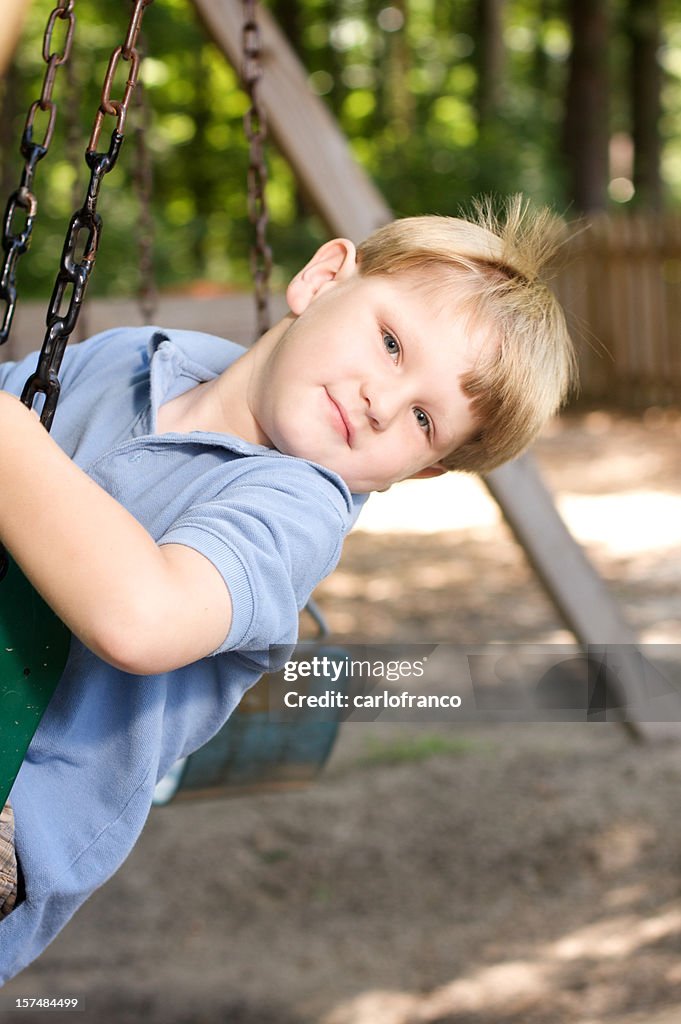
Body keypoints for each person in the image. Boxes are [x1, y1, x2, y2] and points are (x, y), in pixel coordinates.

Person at [0, 195, 576, 980]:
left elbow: (139, 618)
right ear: (324, 276)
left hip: (16, 817)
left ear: (425, 470)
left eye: (423, 421)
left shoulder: (297, 509)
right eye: (389, 342)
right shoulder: (135, 356)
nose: (381, 400)